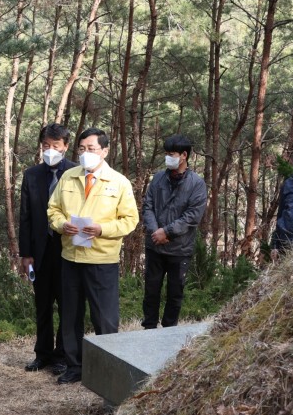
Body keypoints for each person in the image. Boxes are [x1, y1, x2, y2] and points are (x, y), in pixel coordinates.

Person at [47, 128, 138, 384]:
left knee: (105, 318)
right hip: (71, 256)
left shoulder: (119, 182)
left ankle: (109, 369)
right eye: (82, 149)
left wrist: (102, 229)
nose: (86, 153)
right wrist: (61, 224)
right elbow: (52, 209)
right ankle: (75, 367)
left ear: (105, 151)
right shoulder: (68, 177)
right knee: (70, 316)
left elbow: (130, 220)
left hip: (102, 259)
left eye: (92, 149)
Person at [18, 123, 76, 374]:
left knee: (67, 304)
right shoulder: (32, 175)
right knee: (42, 304)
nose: (50, 150)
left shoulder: (76, 171)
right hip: (40, 250)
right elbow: (26, 217)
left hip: (68, 247)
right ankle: (42, 354)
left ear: (65, 146)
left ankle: (63, 355)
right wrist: (26, 253)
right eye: (45, 146)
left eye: (55, 146)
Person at [141, 134, 208, 329]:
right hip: (155, 245)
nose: (167, 158)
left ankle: (169, 331)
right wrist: (156, 231)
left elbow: (192, 216)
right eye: (166, 154)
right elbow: (148, 206)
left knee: (175, 293)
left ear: (184, 155)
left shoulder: (196, 183)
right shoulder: (159, 178)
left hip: (179, 249)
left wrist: (167, 232)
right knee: (151, 290)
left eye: (171, 154)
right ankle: (148, 328)